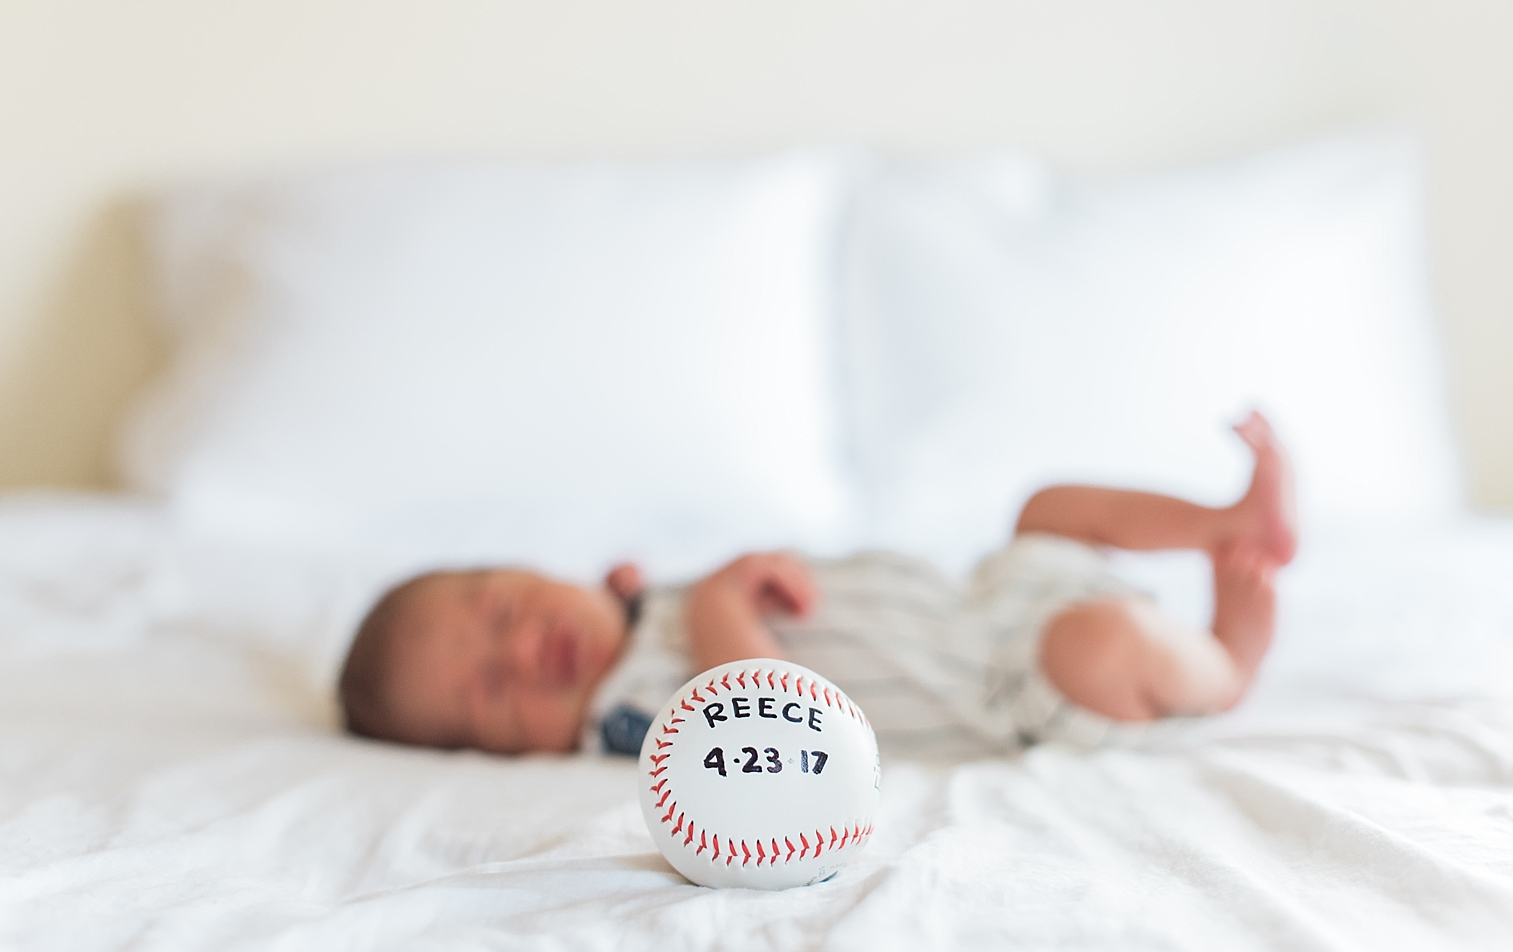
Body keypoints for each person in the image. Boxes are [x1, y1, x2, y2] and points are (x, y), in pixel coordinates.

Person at [338, 412, 1295, 759]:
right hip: (1006, 689)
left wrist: (708, 586)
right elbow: (781, 720)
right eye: (493, 693)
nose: (518, 649)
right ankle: (1223, 665)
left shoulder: (650, 600)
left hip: (982, 598)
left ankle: (1228, 523)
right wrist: (722, 606)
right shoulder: (633, 723)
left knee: (1043, 507)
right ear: (520, 756)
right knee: (1101, 644)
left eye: (501, 609)